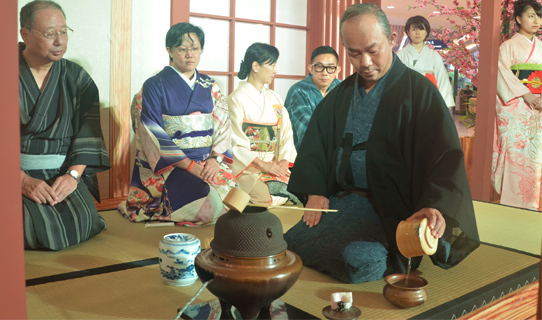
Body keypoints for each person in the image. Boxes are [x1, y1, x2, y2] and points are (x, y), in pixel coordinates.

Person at [284, 3, 479, 283]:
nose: (364, 62)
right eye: (354, 53)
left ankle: (386, 255)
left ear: (391, 40)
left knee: (360, 260)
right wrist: (315, 188)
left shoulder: (420, 92)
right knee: (289, 246)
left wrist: (433, 205)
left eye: (372, 50)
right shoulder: (341, 95)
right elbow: (317, 142)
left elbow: (443, 157)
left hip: (394, 209)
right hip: (344, 200)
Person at [118, 23, 237, 225]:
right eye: (182, 49)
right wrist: (190, 166)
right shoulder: (154, 86)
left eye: (195, 49)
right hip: (172, 166)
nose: (190, 55)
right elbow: (153, 134)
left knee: (238, 202)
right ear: (170, 51)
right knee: (209, 208)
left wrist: (215, 160)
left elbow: (223, 125)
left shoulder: (210, 85)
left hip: (207, 162)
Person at [19, 1, 110, 250]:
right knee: (26, 226)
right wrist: (20, 180)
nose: (59, 41)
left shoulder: (77, 78)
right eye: (50, 34)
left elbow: (88, 135)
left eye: (63, 31)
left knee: (83, 221)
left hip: (61, 173)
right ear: (24, 34)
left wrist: (72, 176)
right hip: (13, 173)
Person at [227, 43, 298, 206]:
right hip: (249, 167)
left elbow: (286, 132)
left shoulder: (275, 99)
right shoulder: (236, 99)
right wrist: (262, 164)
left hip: (274, 165)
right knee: (265, 199)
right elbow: (235, 142)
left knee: (305, 189)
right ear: (255, 66)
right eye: (271, 64)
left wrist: (284, 161)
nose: (275, 70)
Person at [493, 0, 542, 210]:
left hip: (539, 108)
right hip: (518, 106)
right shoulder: (508, 46)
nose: (536, 20)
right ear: (518, 19)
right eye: (531, 16)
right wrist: (526, 94)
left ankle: (532, 203)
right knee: (516, 154)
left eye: (539, 16)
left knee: (535, 158)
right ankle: (513, 205)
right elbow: (501, 74)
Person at [284, 46, 342, 150]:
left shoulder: (342, 89)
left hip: (338, 155)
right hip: (307, 157)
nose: (325, 73)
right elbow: (308, 134)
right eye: (319, 67)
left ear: (337, 70)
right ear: (311, 69)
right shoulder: (298, 91)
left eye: (330, 68)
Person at [397, 15, 455, 108]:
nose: (417, 33)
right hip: (406, 98)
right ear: (408, 32)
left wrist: (444, 105)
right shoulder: (400, 55)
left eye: (421, 29)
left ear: (426, 32)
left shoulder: (434, 56)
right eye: (414, 29)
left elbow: (442, 79)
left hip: (429, 98)